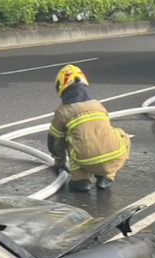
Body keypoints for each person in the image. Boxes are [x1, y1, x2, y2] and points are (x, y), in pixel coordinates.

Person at [48, 64, 131, 192]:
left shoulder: (62, 112)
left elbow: (55, 142)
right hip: (114, 156)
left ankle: (81, 180)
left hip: (85, 160)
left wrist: (59, 164)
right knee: (121, 135)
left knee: (73, 142)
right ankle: (107, 177)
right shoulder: (98, 105)